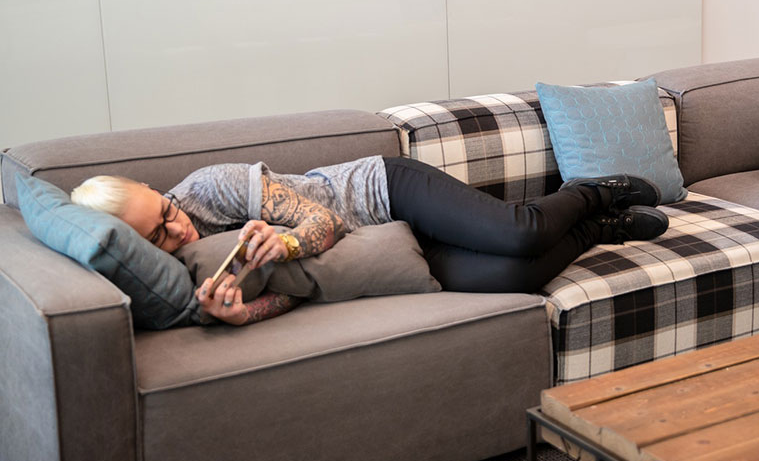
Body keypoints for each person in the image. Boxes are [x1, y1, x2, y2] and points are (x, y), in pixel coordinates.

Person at [71, 157, 668, 325]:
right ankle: (600, 230)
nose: (178, 227)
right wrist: (241, 314)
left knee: (517, 231)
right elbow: (295, 296)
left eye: (166, 209)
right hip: (390, 249)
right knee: (516, 278)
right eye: (157, 234)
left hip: (384, 194)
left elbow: (322, 227)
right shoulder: (196, 271)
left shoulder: (212, 189)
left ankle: (594, 191)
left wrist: (285, 246)